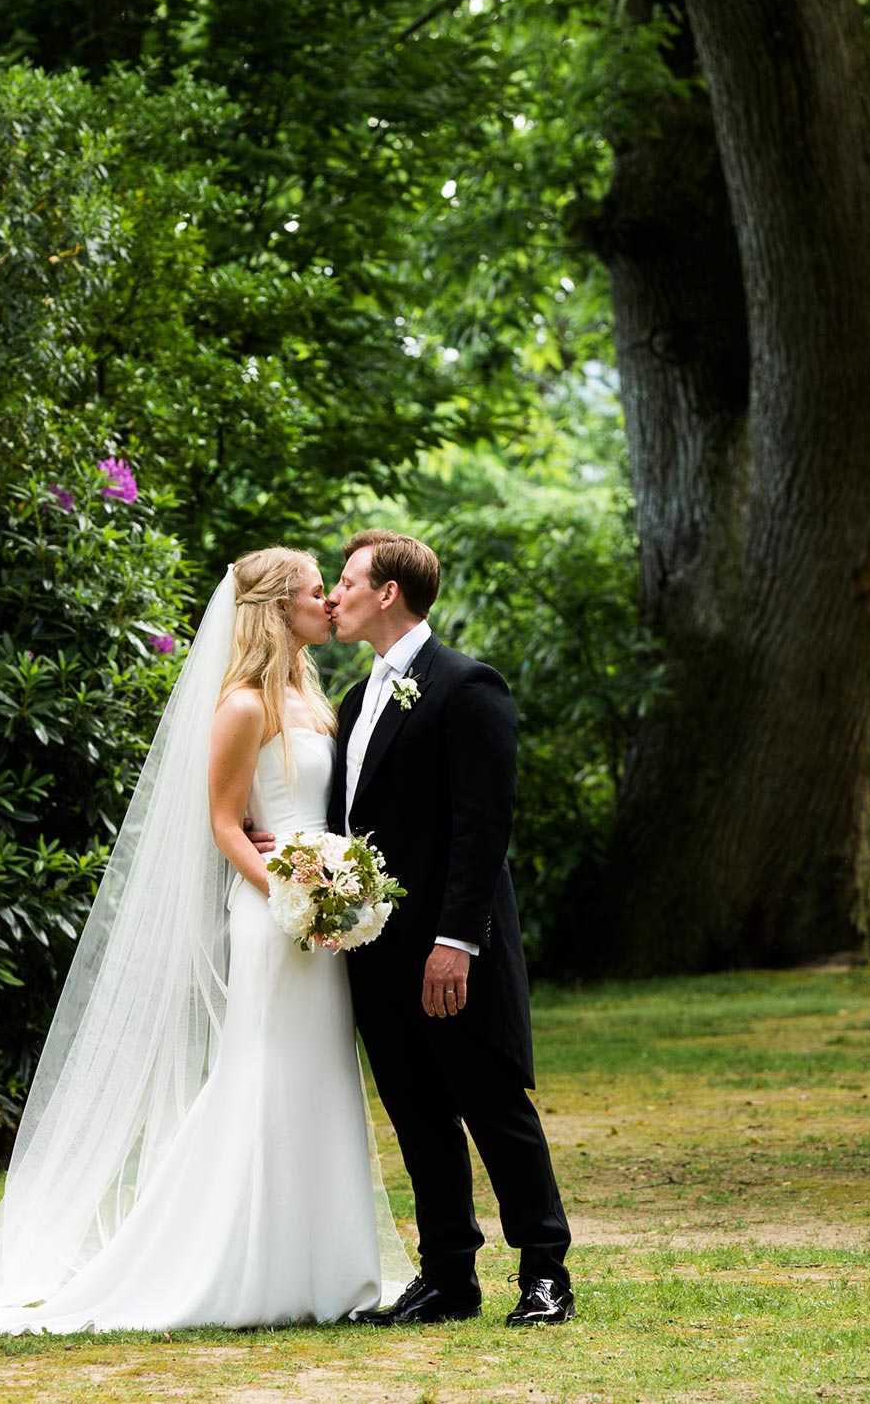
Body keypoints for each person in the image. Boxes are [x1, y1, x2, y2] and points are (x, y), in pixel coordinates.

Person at [0, 547, 413, 1335]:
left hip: (320, 920)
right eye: (318, 591)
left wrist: (338, 887)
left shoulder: (313, 698)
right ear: (280, 606)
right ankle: (237, 1265)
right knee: (264, 1073)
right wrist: (290, 890)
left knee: (321, 1077)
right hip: (274, 917)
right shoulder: (243, 703)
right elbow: (223, 823)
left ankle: (327, 1267)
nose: (329, 602)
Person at [316, 529, 574, 1326]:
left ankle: (545, 1275)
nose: (334, 595)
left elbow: (482, 823)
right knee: (418, 1114)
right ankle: (449, 1278)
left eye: (348, 581)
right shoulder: (357, 701)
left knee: (494, 1106)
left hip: (450, 947)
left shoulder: (467, 686)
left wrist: (454, 942)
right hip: (375, 951)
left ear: (388, 592)